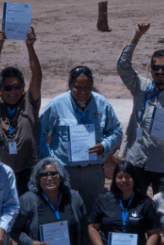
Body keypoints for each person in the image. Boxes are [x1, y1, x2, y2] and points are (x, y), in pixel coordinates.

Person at [116, 22, 164, 193]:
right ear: (150, 69)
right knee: (135, 202)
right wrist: (136, 36)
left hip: (163, 163)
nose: (160, 71)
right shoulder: (140, 87)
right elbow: (122, 65)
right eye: (156, 67)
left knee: (163, 204)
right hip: (137, 159)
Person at [37, 65, 124, 214]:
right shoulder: (58, 104)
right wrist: (50, 161)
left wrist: (104, 146)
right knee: (64, 211)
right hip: (65, 170)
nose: (83, 92)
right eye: (78, 88)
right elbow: (40, 132)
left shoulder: (102, 104)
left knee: (93, 213)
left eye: (87, 88)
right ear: (71, 85)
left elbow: (116, 131)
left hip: (93, 170)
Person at [0, 28, 43, 189]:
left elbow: (37, 75)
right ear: (0, 89)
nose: (12, 92)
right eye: (7, 88)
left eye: (17, 87)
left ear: (23, 87)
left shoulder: (29, 103)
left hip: (28, 174)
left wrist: (30, 47)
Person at [88, 160, 161, 245]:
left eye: (128, 177)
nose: (123, 180)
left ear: (134, 178)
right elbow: (92, 227)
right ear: (114, 179)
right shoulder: (104, 199)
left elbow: (153, 233)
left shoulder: (145, 202)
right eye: (120, 177)